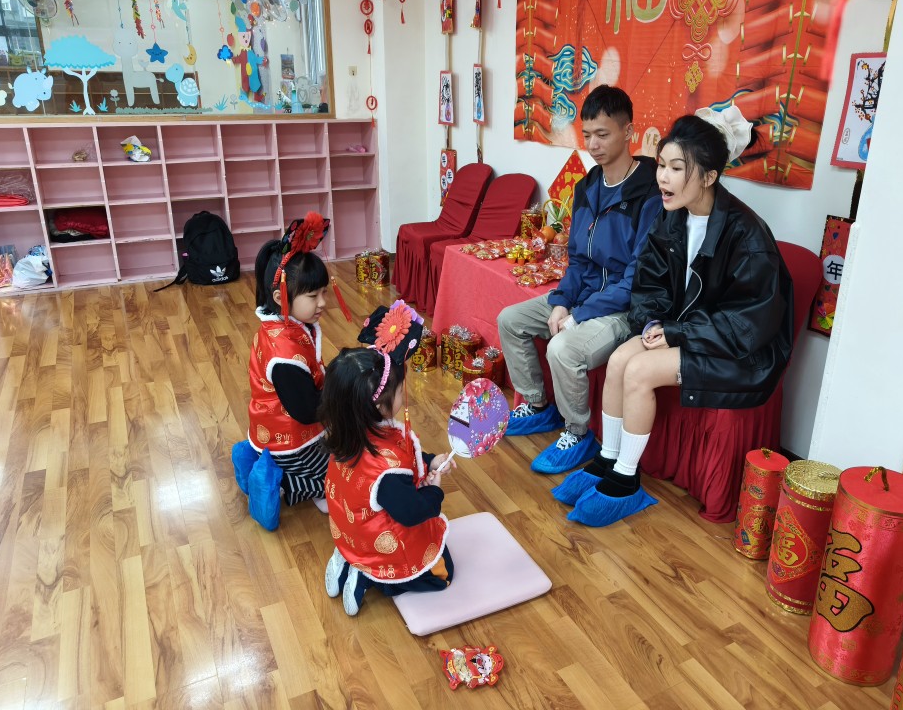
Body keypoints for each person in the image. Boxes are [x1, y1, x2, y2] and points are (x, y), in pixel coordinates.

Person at [554, 106, 794, 527]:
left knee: (639, 370)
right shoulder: (672, 218)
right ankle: (608, 459)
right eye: (662, 165)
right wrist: (653, 325)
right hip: (690, 332)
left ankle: (626, 480)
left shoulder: (747, 234)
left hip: (741, 353)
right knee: (619, 360)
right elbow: (648, 285)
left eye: (676, 168)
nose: (662, 177)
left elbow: (748, 324)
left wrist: (677, 332)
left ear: (709, 176)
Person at [498, 85, 663, 474]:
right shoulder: (587, 187)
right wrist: (561, 302)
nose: (593, 145)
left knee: (562, 349)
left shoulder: (651, 194)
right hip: (585, 295)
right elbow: (577, 260)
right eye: (587, 135)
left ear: (628, 131)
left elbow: (636, 278)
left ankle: (578, 432)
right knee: (510, 320)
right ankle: (538, 404)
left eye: (603, 134)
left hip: (622, 309)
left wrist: (579, 315)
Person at [322, 302, 457, 617]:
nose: (402, 395)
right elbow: (412, 513)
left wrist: (428, 461)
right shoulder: (387, 472)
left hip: (351, 532)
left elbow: (401, 456)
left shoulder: (347, 433)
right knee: (443, 573)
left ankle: (346, 558)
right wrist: (434, 491)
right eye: (399, 392)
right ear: (380, 406)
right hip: (378, 545)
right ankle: (367, 577)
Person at [232, 213, 333, 525]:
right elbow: (306, 411)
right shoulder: (284, 354)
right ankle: (279, 485)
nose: (322, 302)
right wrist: (342, 393)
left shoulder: (283, 327)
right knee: (347, 470)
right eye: (313, 296)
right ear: (280, 297)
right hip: (291, 442)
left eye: (324, 292)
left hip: (275, 429)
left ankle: (254, 457)